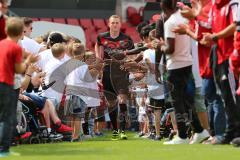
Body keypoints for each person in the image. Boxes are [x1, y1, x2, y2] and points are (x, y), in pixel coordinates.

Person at [152, 0, 209, 144]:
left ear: (164, 6)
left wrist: (160, 45)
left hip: (175, 65)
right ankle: (200, 130)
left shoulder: (170, 22)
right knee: (186, 101)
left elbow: (170, 49)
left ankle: (183, 136)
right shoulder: (184, 18)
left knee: (177, 102)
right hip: (187, 63)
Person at [95, 15, 134, 140]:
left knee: (122, 101)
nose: (115, 25)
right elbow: (98, 46)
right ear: (109, 24)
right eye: (113, 23)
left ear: (120, 24)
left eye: (117, 22)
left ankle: (122, 131)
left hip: (121, 72)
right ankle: (115, 130)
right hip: (107, 71)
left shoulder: (127, 39)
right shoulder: (102, 37)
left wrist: (128, 64)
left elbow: (132, 54)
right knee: (111, 103)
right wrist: (98, 60)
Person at [0, 17, 28, 157]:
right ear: (20, 32)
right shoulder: (16, 47)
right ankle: (4, 149)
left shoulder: (1, 44)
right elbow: (19, 69)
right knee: (7, 117)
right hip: (6, 84)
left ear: (6, 29)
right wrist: (29, 61)